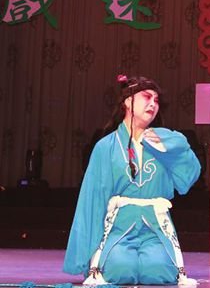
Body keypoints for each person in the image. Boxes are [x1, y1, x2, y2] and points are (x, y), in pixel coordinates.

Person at [63, 75, 201, 286]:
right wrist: (84, 254)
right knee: (120, 269)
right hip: (119, 225)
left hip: (155, 225)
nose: (153, 104)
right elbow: (92, 200)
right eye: (146, 97)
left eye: (156, 100)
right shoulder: (106, 147)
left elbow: (189, 175)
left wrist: (173, 142)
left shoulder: (162, 143)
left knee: (158, 271)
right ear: (128, 101)